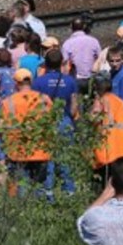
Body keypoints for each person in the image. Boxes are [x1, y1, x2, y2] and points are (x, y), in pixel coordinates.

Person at [0, 68, 53, 200]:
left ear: (16, 83)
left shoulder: (8, 102)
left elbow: (2, 128)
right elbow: (52, 123)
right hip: (41, 149)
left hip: (18, 151)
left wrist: (5, 147)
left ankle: (24, 214)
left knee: (21, 186)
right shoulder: (44, 99)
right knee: (39, 186)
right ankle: (40, 213)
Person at [34, 49, 79, 195]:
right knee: (65, 158)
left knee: (47, 159)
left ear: (45, 64)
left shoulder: (38, 82)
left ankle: (48, 191)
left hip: (46, 123)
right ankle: (69, 191)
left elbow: (36, 107)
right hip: (65, 121)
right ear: (61, 63)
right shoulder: (70, 81)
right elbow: (74, 107)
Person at [90, 73, 123, 188]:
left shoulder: (101, 101)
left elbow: (93, 119)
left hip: (106, 151)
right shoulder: (120, 102)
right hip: (122, 150)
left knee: (105, 185)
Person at [62, 17, 102, 94]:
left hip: (75, 78)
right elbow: (100, 58)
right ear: (84, 27)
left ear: (71, 27)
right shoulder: (94, 41)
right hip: (92, 77)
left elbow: (64, 62)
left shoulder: (67, 44)